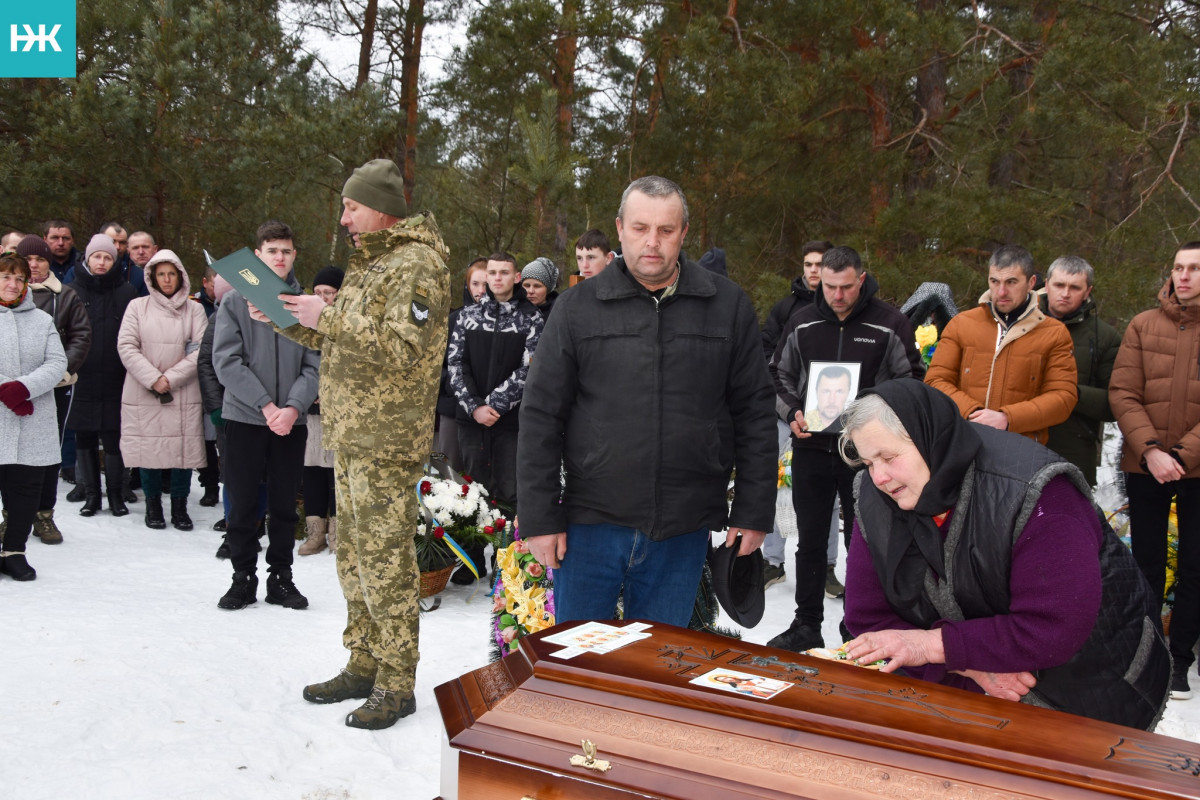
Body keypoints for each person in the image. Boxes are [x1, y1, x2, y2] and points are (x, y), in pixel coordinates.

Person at [517, 175, 777, 627]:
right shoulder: (577, 308)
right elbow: (540, 416)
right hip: (589, 524)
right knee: (579, 666)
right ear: (619, 229)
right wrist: (539, 518)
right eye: (640, 228)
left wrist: (754, 511)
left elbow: (754, 412)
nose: (651, 242)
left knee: (656, 668)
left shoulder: (727, 305)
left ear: (685, 233)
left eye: (665, 230)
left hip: (683, 527)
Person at [839, 379, 1169, 731]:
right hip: (973, 694)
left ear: (928, 438)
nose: (880, 477)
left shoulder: (1036, 491)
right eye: (869, 462)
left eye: (888, 458)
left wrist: (932, 646)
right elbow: (867, 619)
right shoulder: (877, 498)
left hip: (1091, 688)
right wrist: (967, 662)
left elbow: (1054, 627)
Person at [267, 158, 450, 730]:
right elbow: (337, 332)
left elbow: (402, 347)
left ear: (379, 208)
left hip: (387, 437)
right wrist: (281, 314)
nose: (343, 217)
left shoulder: (417, 264)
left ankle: (397, 681)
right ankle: (364, 661)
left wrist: (331, 316)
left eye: (350, 206)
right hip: (352, 432)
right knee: (354, 559)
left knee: (386, 561)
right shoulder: (372, 263)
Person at [767, 245, 922, 653]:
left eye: (847, 287)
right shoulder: (802, 322)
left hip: (866, 458)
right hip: (812, 449)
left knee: (865, 541)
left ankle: (860, 627)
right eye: (830, 286)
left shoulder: (890, 324)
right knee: (812, 539)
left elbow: (912, 382)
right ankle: (806, 623)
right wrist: (794, 411)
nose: (837, 295)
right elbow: (777, 375)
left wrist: (878, 415)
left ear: (862, 278)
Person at [1109, 241, 1200, 700]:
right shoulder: (1144, 325)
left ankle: (1180, 659)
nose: (1183, 276)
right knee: (1143, 562)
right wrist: (1151, 451)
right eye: (1179, 268)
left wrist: (1182, 455)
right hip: (1145, 465)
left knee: (1194, 565)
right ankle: (1143, 653)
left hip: (1198, 470)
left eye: (1195, 269)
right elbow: (1123, 392)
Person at [213, 221, 319, 610]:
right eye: (272, 250)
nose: (279, 257)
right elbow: (226, 361)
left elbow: (315, 363)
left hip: (291, 421)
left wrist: (293, 407)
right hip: (245, 417)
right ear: (257, 255)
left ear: (294, 255)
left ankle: (281, 577)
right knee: (241, 502)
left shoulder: (303, 304)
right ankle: (243, 577)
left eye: (286, 251)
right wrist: (265, 404)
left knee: (285, 504)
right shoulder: (235, 301)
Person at [446, 251, 544, 584]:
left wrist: (497, 404)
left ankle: (507, 561)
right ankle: (472, 558)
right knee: (472, 488)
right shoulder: (466, 317)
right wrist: (474, 406)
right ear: (485, 276)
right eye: (492, 272)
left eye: (505, 272)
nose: (498, 278)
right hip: (471, 420)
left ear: (517, 277)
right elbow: (456, 365)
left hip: (512, 421)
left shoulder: (531, 318)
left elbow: (531, 367)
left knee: (509, 491)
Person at [925, 245, 1077, 445]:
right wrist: (973, 413)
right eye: (994, 281)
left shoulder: (1054, 333)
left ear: (1031, 282)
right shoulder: (962, 324)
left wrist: (1008, 418)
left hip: (1020, 447)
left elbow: (1063, 398)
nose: (1001, 291)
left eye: (1011, 282)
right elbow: (935, 381)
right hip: (962, 440)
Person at [758, 239, 837, 593]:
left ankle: (828, 566)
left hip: (828, 413)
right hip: (784, 409)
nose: (813, 270)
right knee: (775, 481)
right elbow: (766, 355)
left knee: (827, 488)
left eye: (820, 263)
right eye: (808, 264)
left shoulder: (842, 309)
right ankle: (772, 561)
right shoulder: (785, 308)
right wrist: (787, 400)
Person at [117, 249, 208, 531]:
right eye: (161, 274)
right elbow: (126, 346)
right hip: (144, 389)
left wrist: (170, 378)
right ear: (152, 278)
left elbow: (201, 350)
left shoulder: (195, 309)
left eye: (171, 274)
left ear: (180, 276)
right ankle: (153, 505)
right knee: (149, 449)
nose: (167, 280)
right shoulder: (137, 307)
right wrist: (153, 378)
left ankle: (179, 506)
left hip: (182, 389)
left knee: (182, 451)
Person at [0, 253, 69, 581]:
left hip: (33, 417)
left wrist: (24, 389)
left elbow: (57, 362)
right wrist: (6, 392)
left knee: (26, 489)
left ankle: (14, 551)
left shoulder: (41, 320)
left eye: (19, 278)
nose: (12, 284)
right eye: (5, 276)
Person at [20, 235, 91, 544]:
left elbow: (81, 336)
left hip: (55, 385)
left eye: (40, 259)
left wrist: (63, 371)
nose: (33, 265)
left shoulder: (66, 295)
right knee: (10, 452)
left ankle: (43, 514)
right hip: (11, 387)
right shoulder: (7, 293)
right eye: (28, 260)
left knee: (47, 451)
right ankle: (13, 514)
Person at [1038, 256, 1122, 488]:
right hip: (1017, 443)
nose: (1065, 293)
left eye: (1074, 287)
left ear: (1088, 291)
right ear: (1046, 285)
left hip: (1073, 452)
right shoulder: (1020, 325)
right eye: (1059, 285)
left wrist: (1067, 393)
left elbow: (1114, 404)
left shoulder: (1106, 337)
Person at [298, 266, 344, 556]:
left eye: (329, 293)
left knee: (335, 473)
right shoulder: (303, 323)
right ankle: (315, 531)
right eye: (318, 293)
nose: (324, 298)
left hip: (338, 412)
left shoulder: (345, 323)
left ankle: (339, 532)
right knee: (312, 469)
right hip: (308, 410)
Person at [434, 258, 487, 472]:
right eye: (475, 284)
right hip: (453, 407)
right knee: (448, 473)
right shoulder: (453, 319)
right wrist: (452, 386)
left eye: (486, 284)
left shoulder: (508, 322)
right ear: (467, 285)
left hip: (488, 407)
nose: (481, 290)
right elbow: (439, 363)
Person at [804, 364, 852, 432]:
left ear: (848, 393)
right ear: (816, 392)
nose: (831, 400)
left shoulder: (856, 425)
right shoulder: (803, 422)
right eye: (826, 391)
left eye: (839, 392)